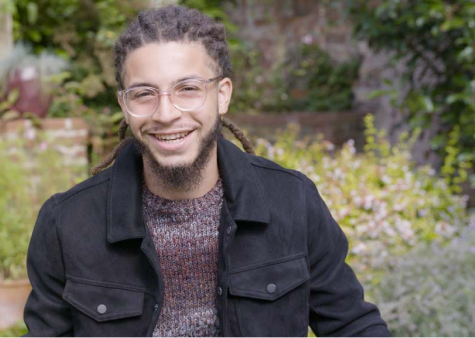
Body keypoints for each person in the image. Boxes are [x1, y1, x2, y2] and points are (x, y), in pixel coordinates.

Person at [22, 5, 391, 338]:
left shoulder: (291, 201)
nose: (166, 114)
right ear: (125, 105)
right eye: (144, 93)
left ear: (223, 95)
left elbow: (352, 325)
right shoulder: (66, 223)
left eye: (188, 89)